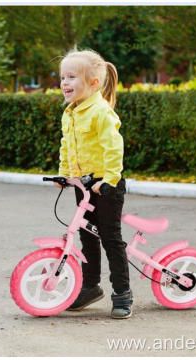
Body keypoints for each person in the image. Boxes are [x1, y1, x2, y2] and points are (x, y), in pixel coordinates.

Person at [54, 48, 133, 319]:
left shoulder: (100, 112)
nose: (64, 82)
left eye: (72, 77)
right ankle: (90, 287)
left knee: (111, 238)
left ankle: (122, 293)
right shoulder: (70, 113)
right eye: (63, 77)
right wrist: (65, 174)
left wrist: (109, 180)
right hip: (83, 184)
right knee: (87, 236)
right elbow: (67, 145)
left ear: (94, 83)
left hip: (105, 184)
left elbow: (114, 148)